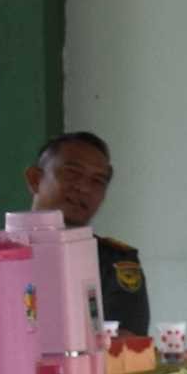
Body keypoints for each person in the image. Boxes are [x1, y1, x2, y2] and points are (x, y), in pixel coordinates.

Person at [25, 129, 150, 337]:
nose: (84, 188)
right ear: (35, 179)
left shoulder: (114, 262)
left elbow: (125, 342)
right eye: (72, 173)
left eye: (97, 181)